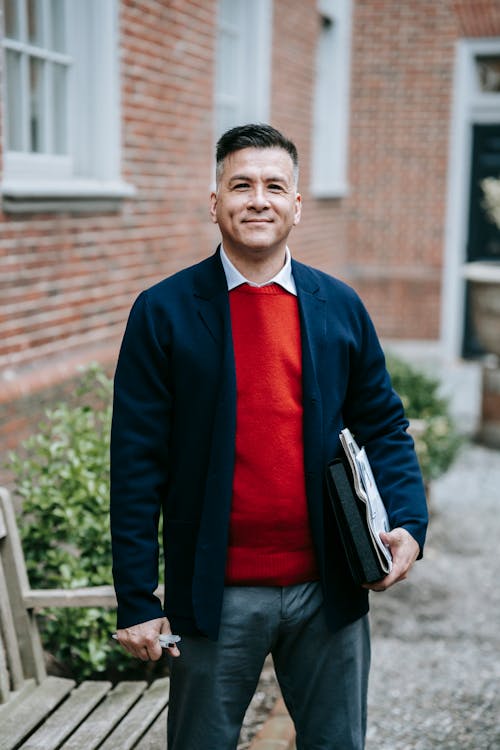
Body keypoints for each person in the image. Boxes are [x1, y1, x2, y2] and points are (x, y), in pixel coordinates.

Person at [110, 123, 428, 749]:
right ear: (215, 202)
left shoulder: (338, 306)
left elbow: (385, 426)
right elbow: (135, 461)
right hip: (216, 594)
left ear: (297, 205)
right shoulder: (164, 311)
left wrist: (409, 525)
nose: (258, 199)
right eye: (241, 185)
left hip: (329, 585)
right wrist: (138, 597)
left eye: (274, 186)